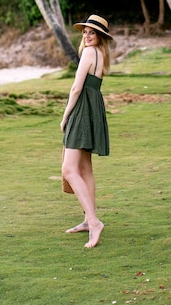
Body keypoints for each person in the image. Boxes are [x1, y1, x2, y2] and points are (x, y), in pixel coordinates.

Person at [60, 14, 113, 248]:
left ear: (100, 36)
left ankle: (93, 221)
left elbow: (76, 88)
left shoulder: (89, 53)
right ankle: (86, 220)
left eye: (92, 32)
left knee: (69, 169)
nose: (87, 36)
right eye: (85, 32)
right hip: (93, 110)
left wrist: (65, 116)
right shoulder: (101, 55)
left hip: (82, 111)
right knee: (85, 168)